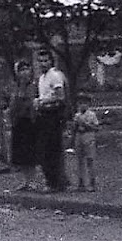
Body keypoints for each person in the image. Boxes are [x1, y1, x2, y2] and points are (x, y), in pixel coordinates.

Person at [34, 49, 70, 192]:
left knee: (52, 149)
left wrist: (43, 101)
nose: (43, 64)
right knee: (44, 149)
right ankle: (53, 180)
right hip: (43, 114)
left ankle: (56, 182)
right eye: (40, 61)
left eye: (46, 60)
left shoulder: (54, 76)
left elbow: (60, 97)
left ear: (51, 61)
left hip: (53, 114)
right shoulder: (42, 78)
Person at [8, 59, 40, 191]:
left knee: (30, 152)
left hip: (30, 122)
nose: (24, 72)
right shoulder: (16, 88)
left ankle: (32, 181)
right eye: (21, 70)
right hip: (18, 122)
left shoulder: (34, 86)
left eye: (27, 69)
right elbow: (12, 105)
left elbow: (32, 103)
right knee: (20, 153)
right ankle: (26, 181)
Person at [69, 93, 102, 192]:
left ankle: (92, 183)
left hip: (88, 136)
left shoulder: (92, 115)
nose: (82, 105)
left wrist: (86, 124)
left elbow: (96, 128)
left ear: (88, 104)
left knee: (90, 160)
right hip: (79, 137)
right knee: (79, 161)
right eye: (80, 103)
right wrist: (74, 126)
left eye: (84, 103)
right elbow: (73, 129)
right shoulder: (77, 115)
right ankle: (81, 183)